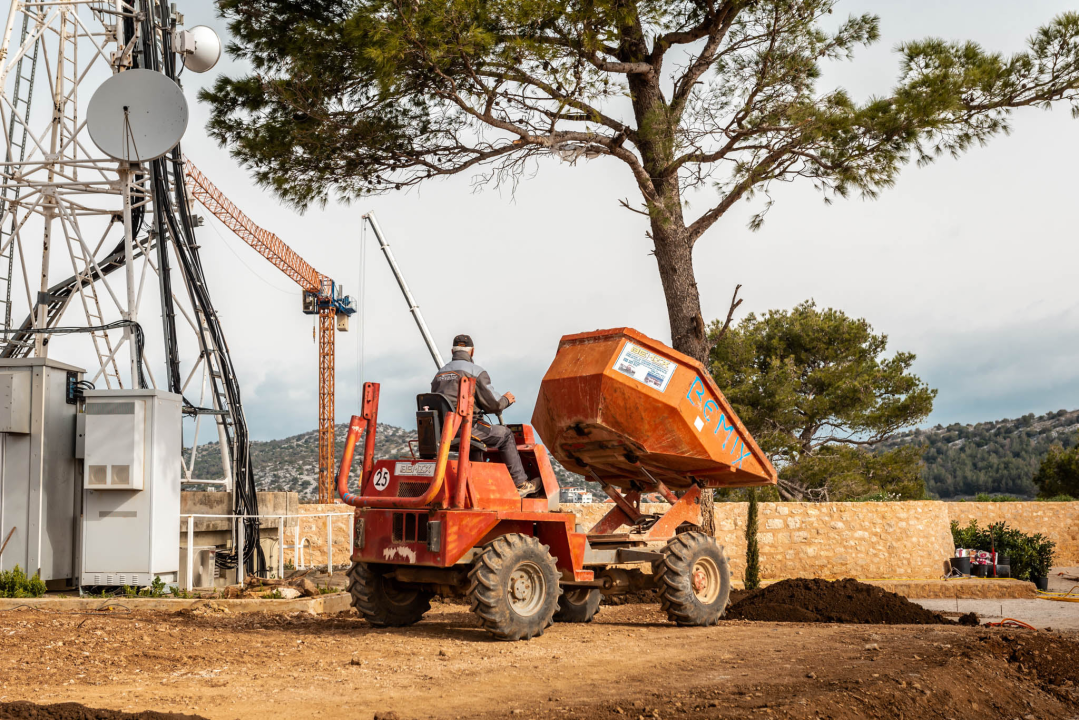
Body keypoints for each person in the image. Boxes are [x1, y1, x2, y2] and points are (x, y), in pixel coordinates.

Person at [431, 334, 536, 497]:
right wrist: (506, 400)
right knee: (505, 435)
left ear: (452, 351)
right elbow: (494, 404)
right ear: (472, 352)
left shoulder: (438, 375)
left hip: (442, 432)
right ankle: (520, 483)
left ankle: (476, 486)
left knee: (474, 441)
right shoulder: (475, 372)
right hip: (465, 428)